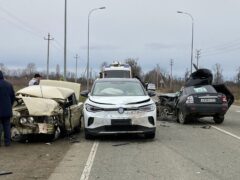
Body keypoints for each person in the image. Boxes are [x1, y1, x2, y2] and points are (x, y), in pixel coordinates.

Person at [0, 71, 15, 146]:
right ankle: (7, 142)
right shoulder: (9, 85)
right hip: (7, 109)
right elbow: (13, 97)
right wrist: (10, 105)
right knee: (7, 126)